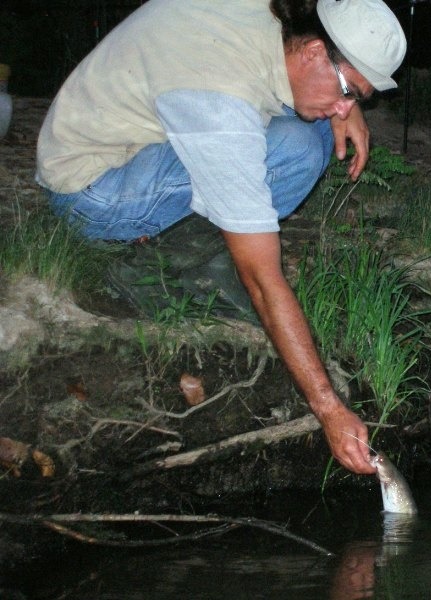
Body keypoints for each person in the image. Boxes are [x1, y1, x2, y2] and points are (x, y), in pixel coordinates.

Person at [35, 0, 407, 475]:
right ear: (314, 51)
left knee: (305, 140)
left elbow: (310, 90)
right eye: (349, 91)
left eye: (358, 98)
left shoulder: (270, 17)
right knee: (288, 159)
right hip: (91, 189)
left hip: (133, 134)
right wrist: (329, 410)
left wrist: (338, 106)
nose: (347, 108)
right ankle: (164, 261)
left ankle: (201, 233)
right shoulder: (218, 99)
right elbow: (262, 280)